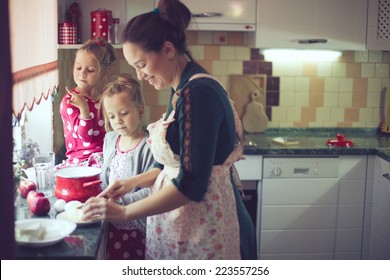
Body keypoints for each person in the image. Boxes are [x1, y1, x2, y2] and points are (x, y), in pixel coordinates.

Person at [83, 0, 257, 260]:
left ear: (167, 50)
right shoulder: (181, 88)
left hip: (207, 228)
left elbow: (191, 185)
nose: (140, 75)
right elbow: (175, 163)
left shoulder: (198, 93)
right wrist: (130, 183)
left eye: (141, 65)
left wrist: (123, 213)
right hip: (191, 224)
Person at [98, 74, 155, 259]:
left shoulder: (149, 146)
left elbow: (151, 192)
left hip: (136, 228)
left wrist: (118, 204)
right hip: (111, 227)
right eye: (112, 116)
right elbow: (104, 177)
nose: (118, 121)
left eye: (123, 113)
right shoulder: (110, 139)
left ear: (139, 111)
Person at [58, 38, 116, 168]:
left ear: (104, 73)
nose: (82, 73)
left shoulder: (103, 97)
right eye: (78, 67)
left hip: (105, 155)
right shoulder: (70, 101)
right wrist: (84, 109)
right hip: (83, 163)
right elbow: (84, 137)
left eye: (90, 70)